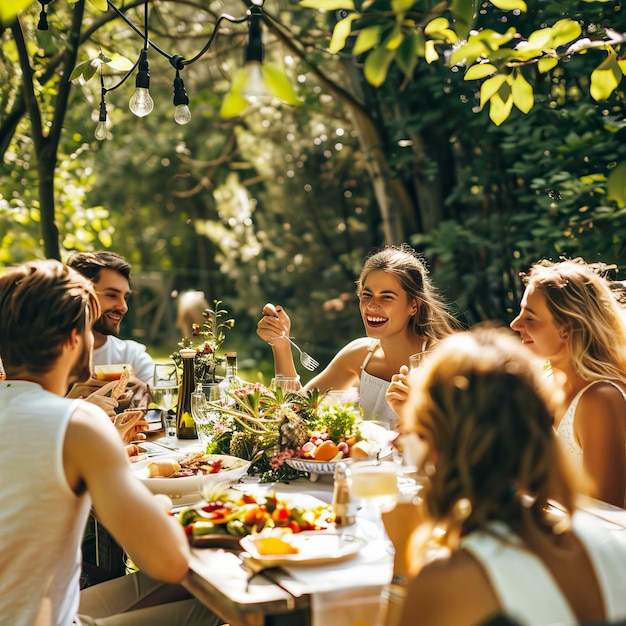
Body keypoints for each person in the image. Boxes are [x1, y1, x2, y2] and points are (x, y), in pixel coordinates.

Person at [0, 259, 218, 626]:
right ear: (73, 338)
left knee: (190, 587)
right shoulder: (78, 423)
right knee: (213, 605)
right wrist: (160, 503)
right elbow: (170, 561)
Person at [386, 326, 626, 626]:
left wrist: (400, 568)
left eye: (416, 431)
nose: (400, 441)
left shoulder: (449, 581)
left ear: (438, 442)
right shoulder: (611, 539)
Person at [257, 244, 460, 427]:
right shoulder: (361, 353)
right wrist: (280, 343)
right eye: (367, 295)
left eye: (387, 297)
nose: (372, 305)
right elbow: (295, 411)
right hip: (365, 468)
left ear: (413, 305)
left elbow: (463, 445)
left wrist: (414, 414)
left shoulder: (442, 361)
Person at [510, 258, 626, 508]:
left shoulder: (600, 399)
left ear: (567, 327)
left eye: (529, 318)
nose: (515, 324)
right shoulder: (544, 385)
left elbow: (606, 517)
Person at [66, 251, 155, 391]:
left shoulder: (131, 355)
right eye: (111, 295)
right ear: (80, 293)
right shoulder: (48, 359)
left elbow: (163, 398)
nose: (124, 307)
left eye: (125, 298)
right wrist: (73, 402)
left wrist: (143, 392)